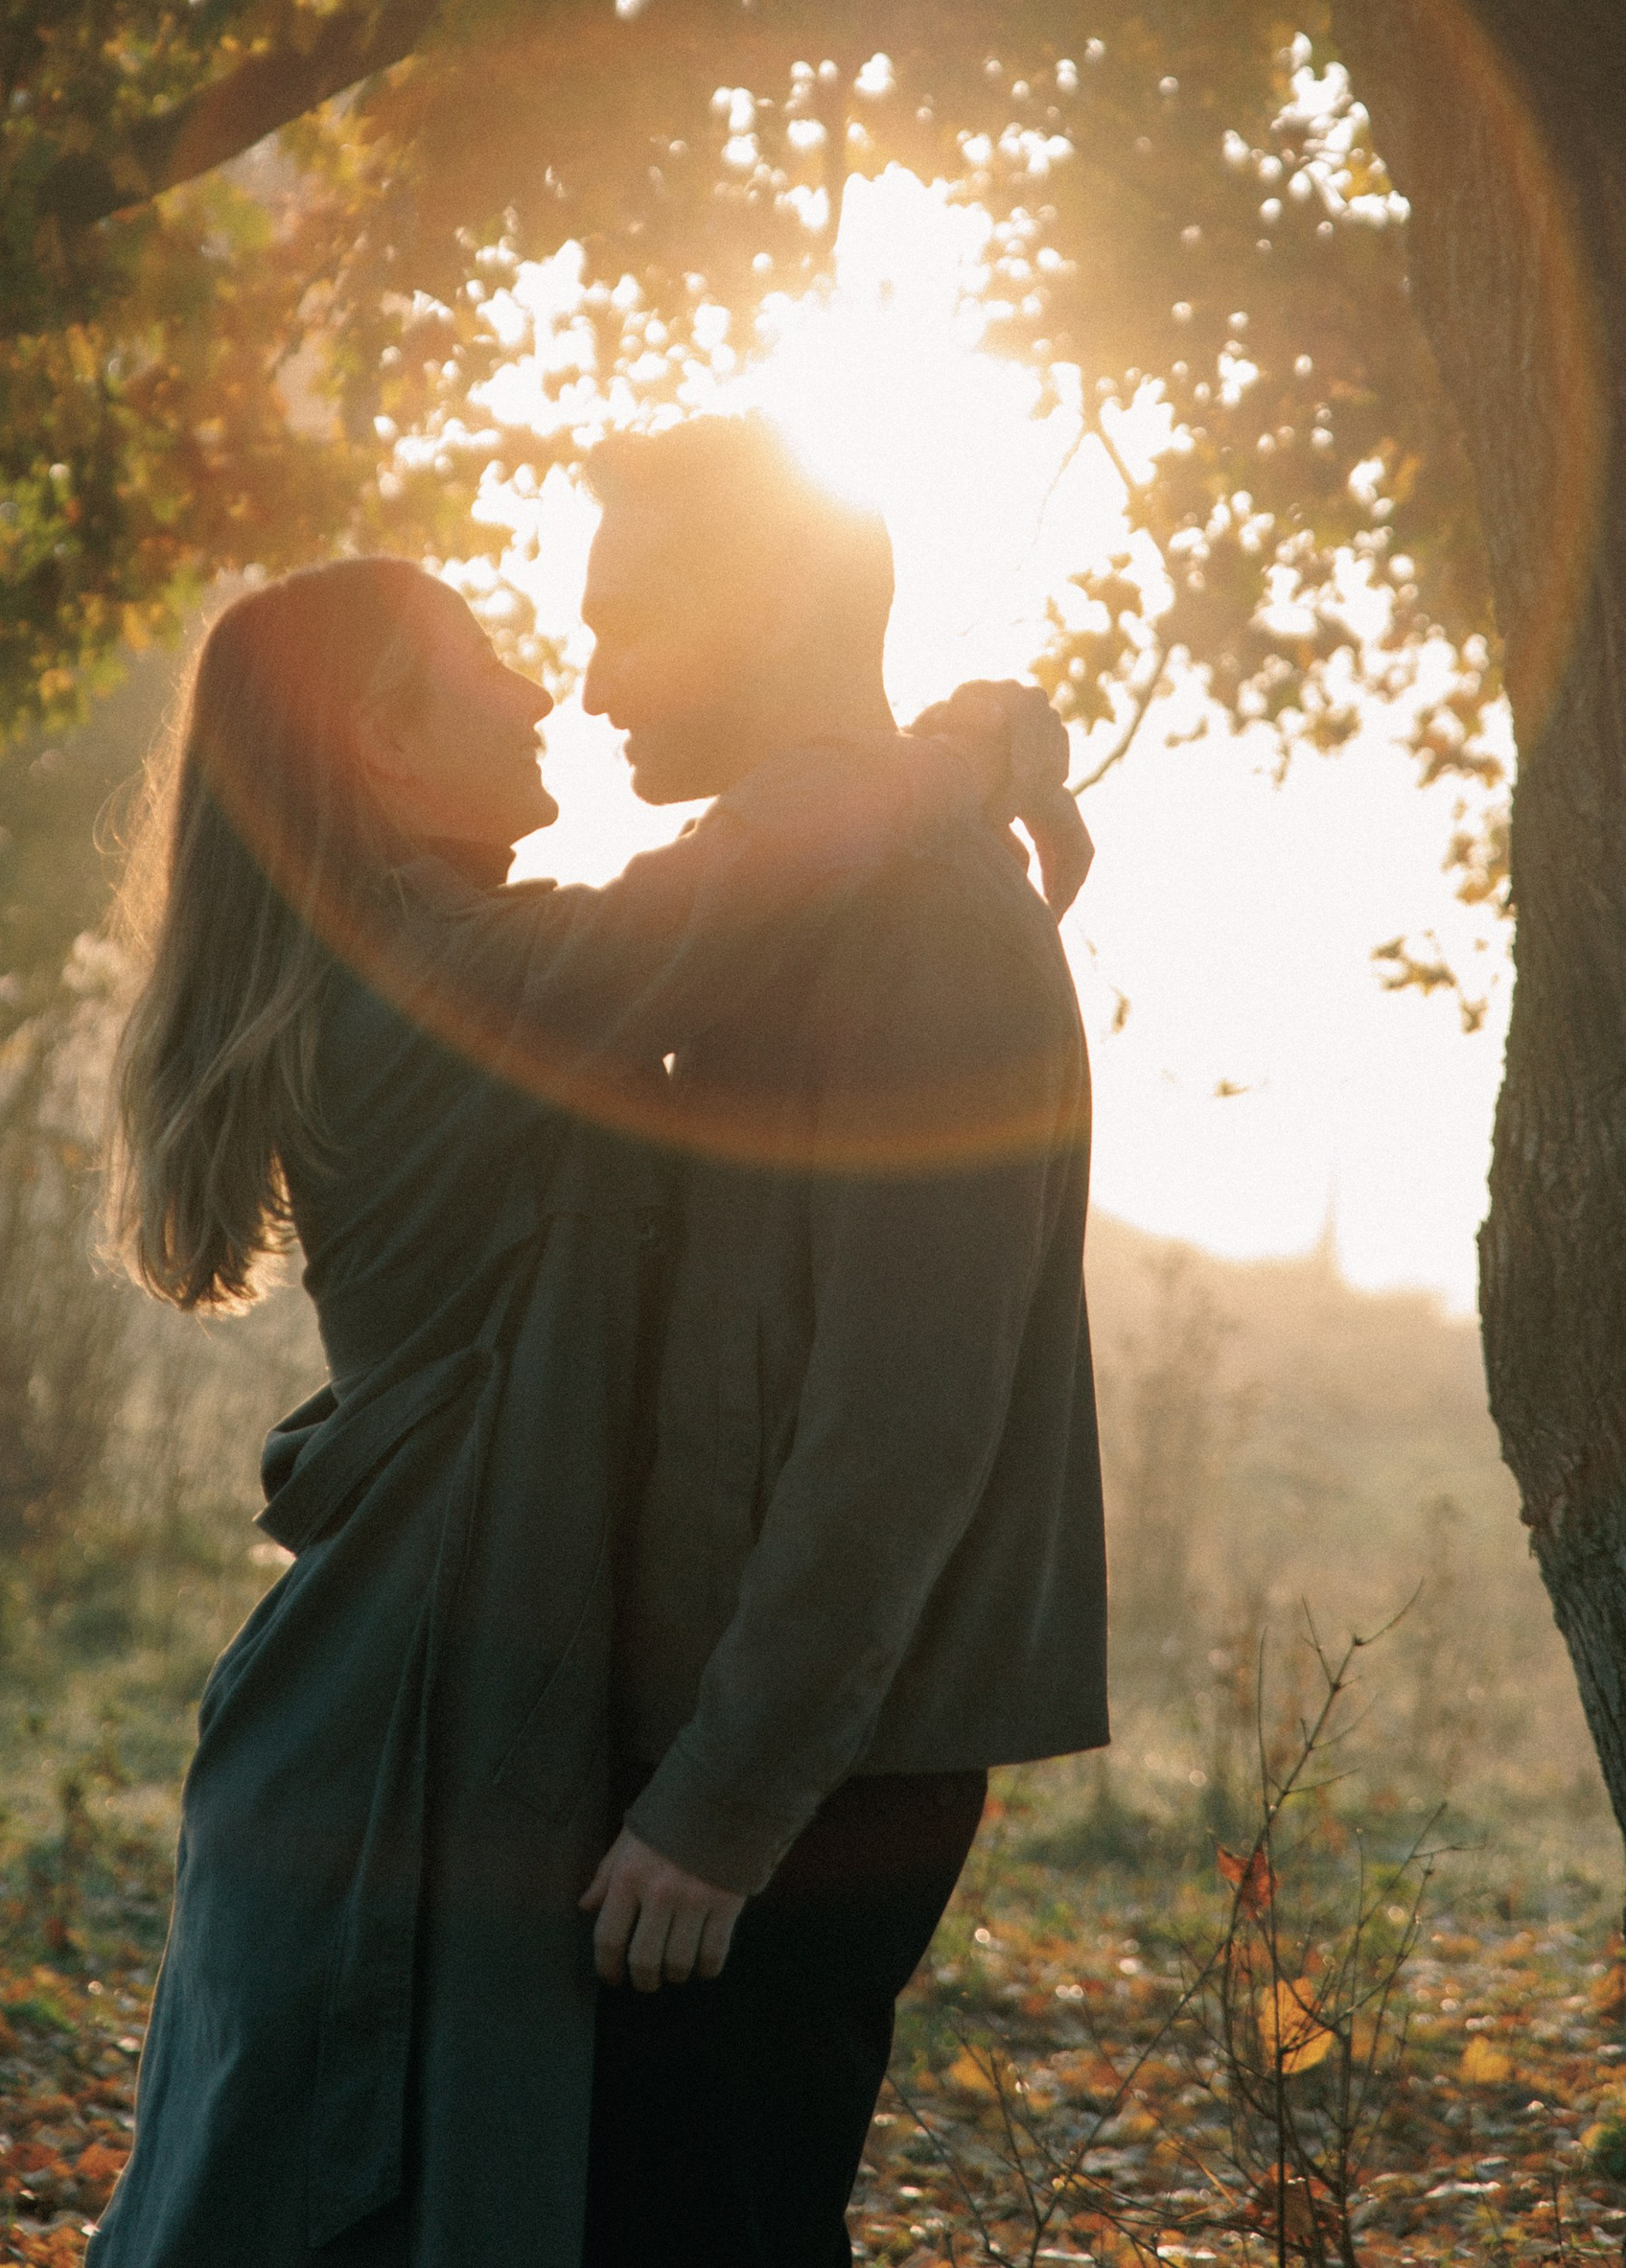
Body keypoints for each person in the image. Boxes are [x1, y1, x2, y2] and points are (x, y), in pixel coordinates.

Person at [85, 551, 1081, 2268]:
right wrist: (955, 760)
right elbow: (731, 890)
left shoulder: (452, 960)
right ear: (384, 752)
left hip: (433, 1690)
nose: (551, 688)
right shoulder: (439, 989)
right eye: (486, 663)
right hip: (397, 1720)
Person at [571, 419, 1110, 2268]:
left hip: (807, 1780)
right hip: (711, 1738)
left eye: (629, 622)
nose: (586, 685)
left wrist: (723, 1807)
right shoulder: (776, 890)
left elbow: (903, 1416)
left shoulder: (937, 933)